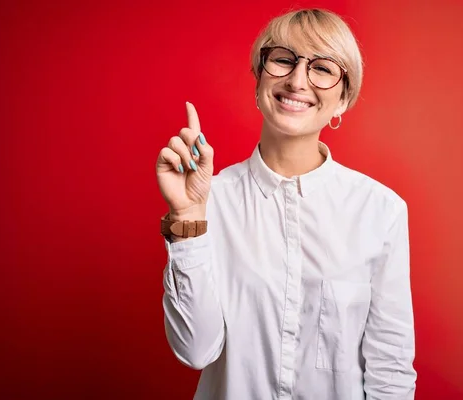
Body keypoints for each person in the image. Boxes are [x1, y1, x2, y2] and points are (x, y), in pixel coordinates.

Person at [155, 8, 416, 400]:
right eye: (283, 59)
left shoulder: (381, 212)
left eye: (322, 68)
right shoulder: (212, 199)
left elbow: (390, 370)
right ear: (260, 77)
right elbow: (195, 351)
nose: (297, 81)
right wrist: (188, 217)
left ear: (343, 99)